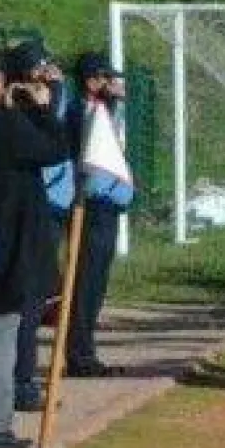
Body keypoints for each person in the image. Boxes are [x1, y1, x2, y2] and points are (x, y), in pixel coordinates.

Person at [0, 50, 69, 448]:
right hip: (4, 247)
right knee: (2, 333)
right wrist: (42, 109)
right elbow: (56, 149)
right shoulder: (5, 125)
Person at [7, 40, 73, 409]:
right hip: (24, 217)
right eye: (40, 69)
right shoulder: (17, 117)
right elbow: (54, 149)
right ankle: (20, 383)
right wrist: (48, 105)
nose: (46, 76)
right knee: (25, 304)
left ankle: (20, 380)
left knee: (32, 299)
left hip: (29, 215)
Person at [65, 52, 133, 377]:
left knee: (97, 282)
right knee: (86, 281)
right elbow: (88, 149)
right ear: (92, 80)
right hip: (89, 207)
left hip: (107, 206)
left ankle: (85, 347)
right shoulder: (81, 111)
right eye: (106, 78)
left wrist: (114, 105)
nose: (112, 85)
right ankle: (78, 353)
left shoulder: (103, 110)